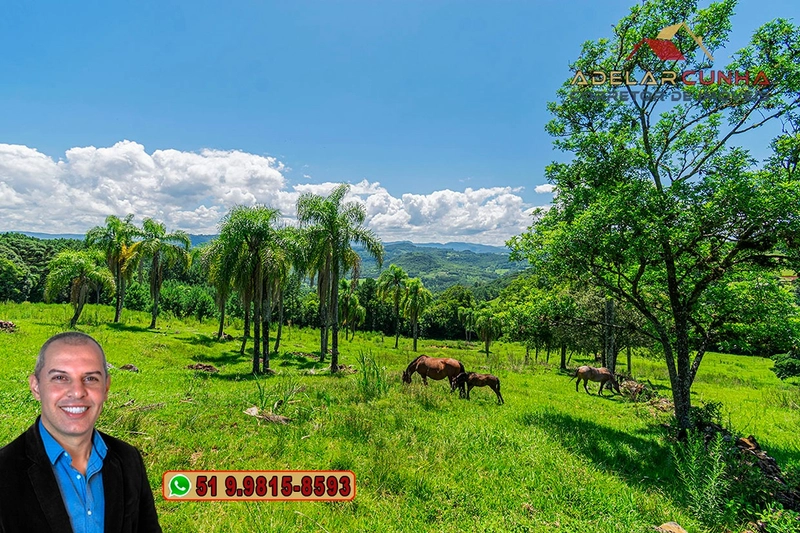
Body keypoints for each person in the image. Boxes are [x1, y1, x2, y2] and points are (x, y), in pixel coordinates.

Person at [0, 332, 162, 533]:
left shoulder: (129, 460)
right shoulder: (4, 471)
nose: (77, 392)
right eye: (60, 377)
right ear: (36, 387)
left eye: (91, 378)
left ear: (106, 388)